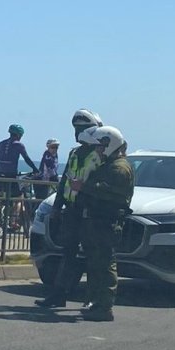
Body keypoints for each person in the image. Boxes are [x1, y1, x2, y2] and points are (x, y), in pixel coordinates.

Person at [35, 109, 103, 308]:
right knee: (68, 254)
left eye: (81, 128)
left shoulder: (100, 154)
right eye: (75, 128)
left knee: (93, 257)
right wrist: (57, 207)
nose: (76, 132)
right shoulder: (74, 153)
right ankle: (59, 295)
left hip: (91, 211)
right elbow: (65, 180)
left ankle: (93, 298)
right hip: (72, 210)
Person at [72, 126, 134, 321]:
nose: (97, 150)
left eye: (100, 146)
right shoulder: (109, 164)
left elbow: (112, 193)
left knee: (106, 263)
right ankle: (97, 303)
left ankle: (105, 306)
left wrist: (84, 186)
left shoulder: (119, 168)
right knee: (96, 263)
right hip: (98, 220)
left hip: (107, 221)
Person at [0, 124, 39, 231]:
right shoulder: (19, 145)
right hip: (11, 175)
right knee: (19, 198)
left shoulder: (1, 143)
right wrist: (35, 169)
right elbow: (26, 158)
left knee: (0, 196)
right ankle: (13, 221)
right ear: (19, 135)